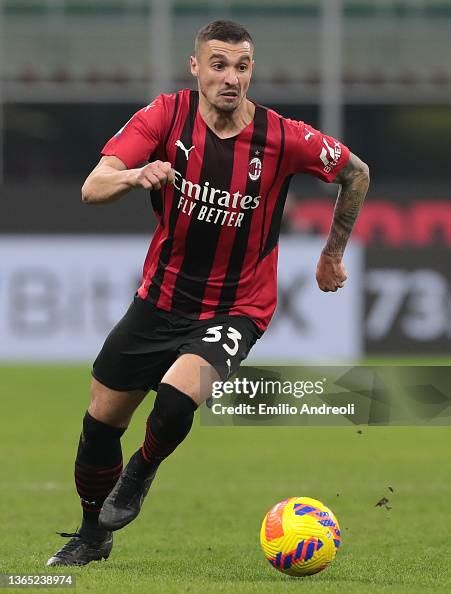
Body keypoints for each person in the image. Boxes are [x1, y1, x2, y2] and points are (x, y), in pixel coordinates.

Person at [47, 20, 369, 566]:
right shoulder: (163, 117)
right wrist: (133, 175)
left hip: (238, 305)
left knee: (176, 398)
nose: (231, 78)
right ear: (196, 67)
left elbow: (356, 173)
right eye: (218, 65)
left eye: (242, 67)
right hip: (160, 299)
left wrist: (332, 253)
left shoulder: (283, 136)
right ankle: (91, 535)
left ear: (251, 72)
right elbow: (92, 185)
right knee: (100, 421)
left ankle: (141, 471)